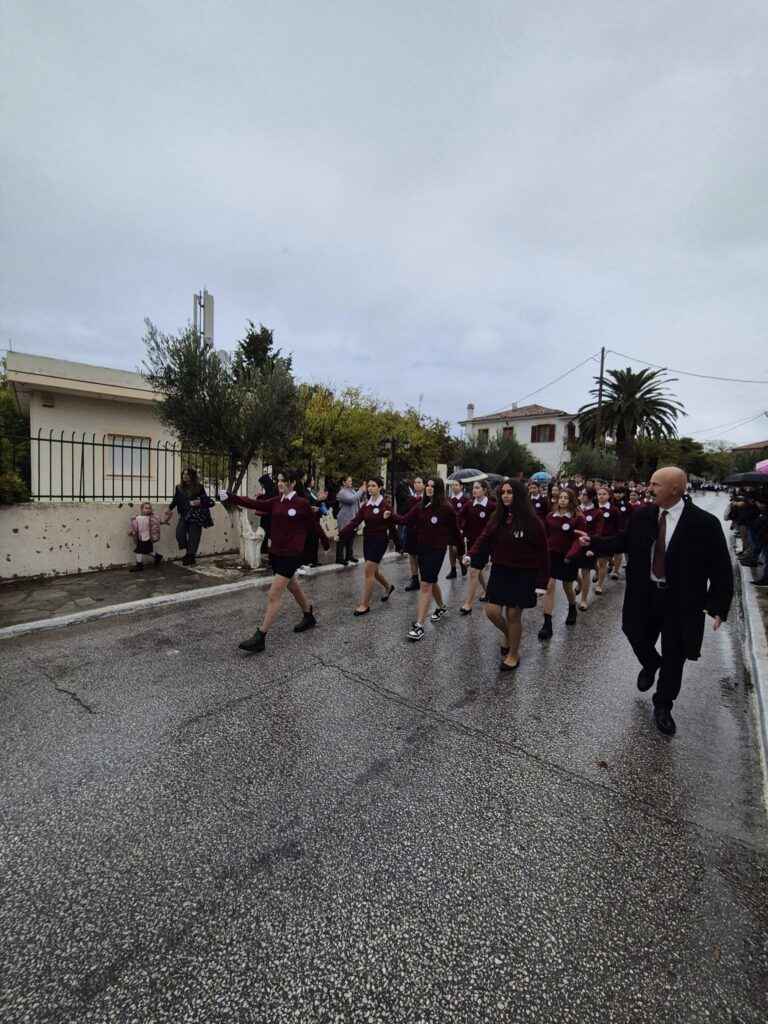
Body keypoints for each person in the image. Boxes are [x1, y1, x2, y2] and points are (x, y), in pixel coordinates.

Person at [577, 466, 733, 736]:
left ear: (675, 489)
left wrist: (718, 605)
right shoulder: (643, 515)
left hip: (681, 601)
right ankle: (650, 663)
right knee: (632, 630)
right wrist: (594, 542)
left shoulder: (704, 523)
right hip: (644, 593)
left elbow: (720, 567)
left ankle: (663, 705)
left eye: (655, 485)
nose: (649, 489)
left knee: (675, 655)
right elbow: (623, 541)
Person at [223, 470, 331, 653]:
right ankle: (308, 615)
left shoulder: (302, 503)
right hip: (277, 553)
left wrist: (325, 541)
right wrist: (231, 497)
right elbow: (255, 503)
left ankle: (261, 637)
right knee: (293, 586)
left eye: (284, 480)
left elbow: (313, 525)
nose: (280, 483)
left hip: (292, 554)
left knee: (274, 594)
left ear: (293, 483)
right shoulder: (276, 501)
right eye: (279, 480)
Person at [465, 479, 549, 671]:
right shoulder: (498, 517)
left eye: (509, 492)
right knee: (492, 612)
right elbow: (484, 537)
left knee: (513, 614)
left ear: (518, 495)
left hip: (524, 573)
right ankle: (511, 635)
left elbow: (543, 553)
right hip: (500, 570)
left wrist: (542, 582)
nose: (505, 496)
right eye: (503, 492)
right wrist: (471, 554)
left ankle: (513, 654)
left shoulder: (533, 522)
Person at [387, 477, 462, 641]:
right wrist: (390, 515)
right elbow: (405, 520)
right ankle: (441, 607)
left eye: (432, 486)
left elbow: (456, 532)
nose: (429, 488)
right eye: (427, 485)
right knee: (431, 580)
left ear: (439, 489)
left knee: (426, 584)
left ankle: (419, 625)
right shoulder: (420, 506)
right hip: (422, 549)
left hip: (437, 551)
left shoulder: (446, 508)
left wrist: (462, 554)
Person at [338, 477, 398, 614]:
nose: (370, 488)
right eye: (369, 486)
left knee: (368, 571)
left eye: (373, 485)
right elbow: (355, 521)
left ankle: (364, 605)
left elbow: (392, 526)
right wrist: (342, 533)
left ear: (380, 487)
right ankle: (388, 587)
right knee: (373, 571)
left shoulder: (385, 506)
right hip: (368, 540)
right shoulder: (366, 505)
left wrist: (399, 544)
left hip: (380, 541)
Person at [540, 488, 586, 639]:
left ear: (571, 500)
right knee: (549, 586)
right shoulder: (550, 516)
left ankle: (572, 607)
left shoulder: (577, 519)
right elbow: (545, 535)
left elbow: (579, 540)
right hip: (551, 555)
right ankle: (547, 623)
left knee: (567, 586)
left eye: (566, 498)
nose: (563, 500)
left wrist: (571, 554)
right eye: (561, 497)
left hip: (568, 557)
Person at [458, 480, 496, 614]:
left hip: (485, 544)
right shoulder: (469, 505)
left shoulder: (492, 506)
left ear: (485, 490)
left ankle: (468, 604)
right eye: (474, 488)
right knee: (477, 571)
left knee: (474, 571)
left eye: (478, 488)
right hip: (471, 544)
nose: (474, 490)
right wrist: (462, 527)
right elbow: (459, 517)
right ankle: (488, 592)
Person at [166, 467, 215, 566]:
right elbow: (176, 499)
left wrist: (199, 502)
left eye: (187, 474)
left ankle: (190, 556)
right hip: (184, 515)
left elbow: (206, 500)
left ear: (192, 476)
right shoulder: (179, 487)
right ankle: (189, 552)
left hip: (195, 515)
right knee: (179, 533)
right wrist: (169, 508)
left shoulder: (199, 487)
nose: (185, 476)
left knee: (194, 536)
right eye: (183, 474)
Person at [593, 485, 620, 594]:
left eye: (604, 494)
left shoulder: (614, 510)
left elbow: (617, 526)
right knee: (594, 562)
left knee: (602, 563)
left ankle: (599, 585)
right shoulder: (593, 508)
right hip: (594, 539)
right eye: (599, 494)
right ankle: (600, 570)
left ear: (609, 496)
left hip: (607, 539)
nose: (601, 496)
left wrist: (615, 539)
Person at [335, 476, 366, 565]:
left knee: (351, 537)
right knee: (343, 537)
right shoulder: (342, 492)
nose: (351, 482)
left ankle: (349, 555)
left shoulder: (351, 491)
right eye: (349, 481)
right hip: (344, 518)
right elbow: (351, 500)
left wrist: (363, 492)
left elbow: (357, 499)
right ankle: (339, 558)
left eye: (351, 481)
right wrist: (361, 490)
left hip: (352, 517)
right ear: (344, 482)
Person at [128, 501, 166, 572]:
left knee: (139, 551)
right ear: (141, 509)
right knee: (147, 551)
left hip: (148, 538)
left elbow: (158, 522)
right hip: (141, 538)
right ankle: (158, 556)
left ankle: (139, 565)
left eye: (149, 508)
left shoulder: (152, 518)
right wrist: (131, 529)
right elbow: (134, 526)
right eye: (146, 508)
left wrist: (165, 521)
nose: (147, 509)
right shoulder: (138, 517)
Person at [402, 476, 425, 591]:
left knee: (422, 556)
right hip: (411, 530)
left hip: (423, 532)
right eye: (415, 482)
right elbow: (406, 514)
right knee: (412, 555)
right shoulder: (410, 498)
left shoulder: (427, 499)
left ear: (424, 485)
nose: (416, 484)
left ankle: (425, 579)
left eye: (419, 482)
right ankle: (414, 579)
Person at [446, 480, 471, 579]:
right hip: (450, 527)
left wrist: (463, 527)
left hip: (460, 528)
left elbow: (466, 515)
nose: (454, 487)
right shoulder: (449, 499)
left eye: (456, 485)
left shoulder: (465, 500)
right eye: (452, 485)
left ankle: (462, 563)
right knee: (451, 548)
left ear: (461, 487)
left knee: (456, 549)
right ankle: (453, 570)